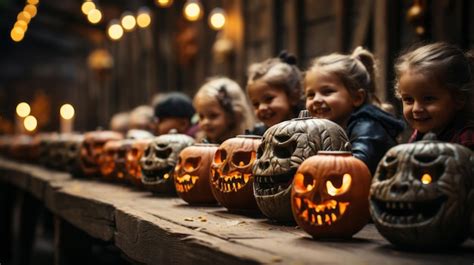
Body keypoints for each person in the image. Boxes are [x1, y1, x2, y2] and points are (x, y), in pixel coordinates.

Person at [305, 47, 405, 174]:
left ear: (357, 98)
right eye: (310, 95)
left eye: (327, 92)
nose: (316, 99)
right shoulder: (330, 129)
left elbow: (356, 168)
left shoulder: (368, 126)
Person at [395, 42, 474, 150]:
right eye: (409, 99)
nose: (416, 109)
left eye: (428, 99)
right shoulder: (420, 134)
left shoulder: (467, 140)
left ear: (459, 98)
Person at [246, 51, 305, 135]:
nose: (261, 108)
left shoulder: (307, 131)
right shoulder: (257, 134)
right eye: (256, 104)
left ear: (293, 96)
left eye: (269, 99)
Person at [193, 77, 256, 144]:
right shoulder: (199, 144)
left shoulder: (250, 143)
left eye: (213, 116)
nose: (205, 122)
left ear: (234, 114)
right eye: (201, 116)